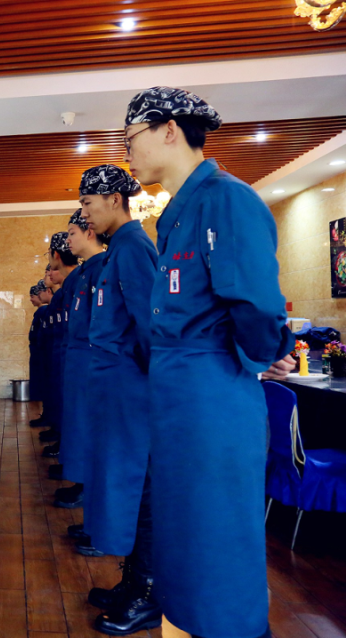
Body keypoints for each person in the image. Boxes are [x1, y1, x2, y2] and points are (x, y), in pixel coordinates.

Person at [123, 87, 295, 638]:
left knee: (218, 534)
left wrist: (263, 356)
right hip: (180, 399)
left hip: (212, 398)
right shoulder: (176, 212)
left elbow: (255, 302)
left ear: (169, 130)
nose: (128, 154)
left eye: (131, 139)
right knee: (186, 532)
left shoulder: (226, 199)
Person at [78, 164, 160, 634]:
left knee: (141, 488)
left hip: (131, 389)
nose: (86, 214)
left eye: (89, 204)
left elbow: (149, 326)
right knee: (127, 486)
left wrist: (142, 386)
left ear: (114, 200)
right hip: (117, 388)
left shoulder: (132, 247)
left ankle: (147, 593)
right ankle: (131, 582)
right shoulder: (119, 249)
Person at [54, 210, 107, 511]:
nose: (68, 241)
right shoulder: (85, 271)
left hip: (90, 356)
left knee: (87, 424)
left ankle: (89, 488)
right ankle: (80, 481)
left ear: (89, 232)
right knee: (77, 422)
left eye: (72, 233)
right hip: (77, 356)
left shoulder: (104, 266)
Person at [39, 233, 78, 458]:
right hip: (61, 351)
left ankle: (67, 447)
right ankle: (61, 437)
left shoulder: (76, 281)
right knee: (60, 397)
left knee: (70, 403)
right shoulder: (63, 292)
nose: (49, 274)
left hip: (74, 352)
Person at [27, 280, 48, 428]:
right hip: (38, 352)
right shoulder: (41, 312)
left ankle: (47, 416)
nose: (31, 299)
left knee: (44, 386)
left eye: (32, 296)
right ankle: (45, 414)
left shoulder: (44, 311)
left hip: (42, 353)